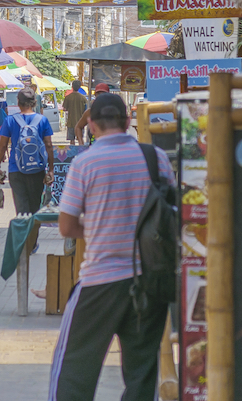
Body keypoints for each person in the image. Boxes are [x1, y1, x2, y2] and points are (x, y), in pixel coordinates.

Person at [49, 93, 175, 401]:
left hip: (100, 282)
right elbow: (170, 213)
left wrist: (96, 230)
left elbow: (66, 226)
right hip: (150, 280)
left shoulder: (84, 163)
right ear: (128, 121)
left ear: (91, 125)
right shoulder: (154, 158)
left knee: (74, 370)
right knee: (142, 374)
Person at [0, 88, 55, 214]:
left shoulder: (10, 120)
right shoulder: (42, 120)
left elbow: (2, 146)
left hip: (16, 170)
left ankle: (23, 233)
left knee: (21, 212)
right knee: (35, 210)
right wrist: (50, 170)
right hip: (37, 170)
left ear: (18, 102)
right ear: (35, 103)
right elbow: (49, 145)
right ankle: (33, 233)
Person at [63, 80, 88, 146]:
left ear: (72, 87)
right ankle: (81, 152)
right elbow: (86, 109)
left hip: (70, 122)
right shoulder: (83, 98)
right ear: (79, 87)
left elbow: (64, 109)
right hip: (80, 122)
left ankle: (72, 154)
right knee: (80, 140)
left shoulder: (68, 97)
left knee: (72, 141)